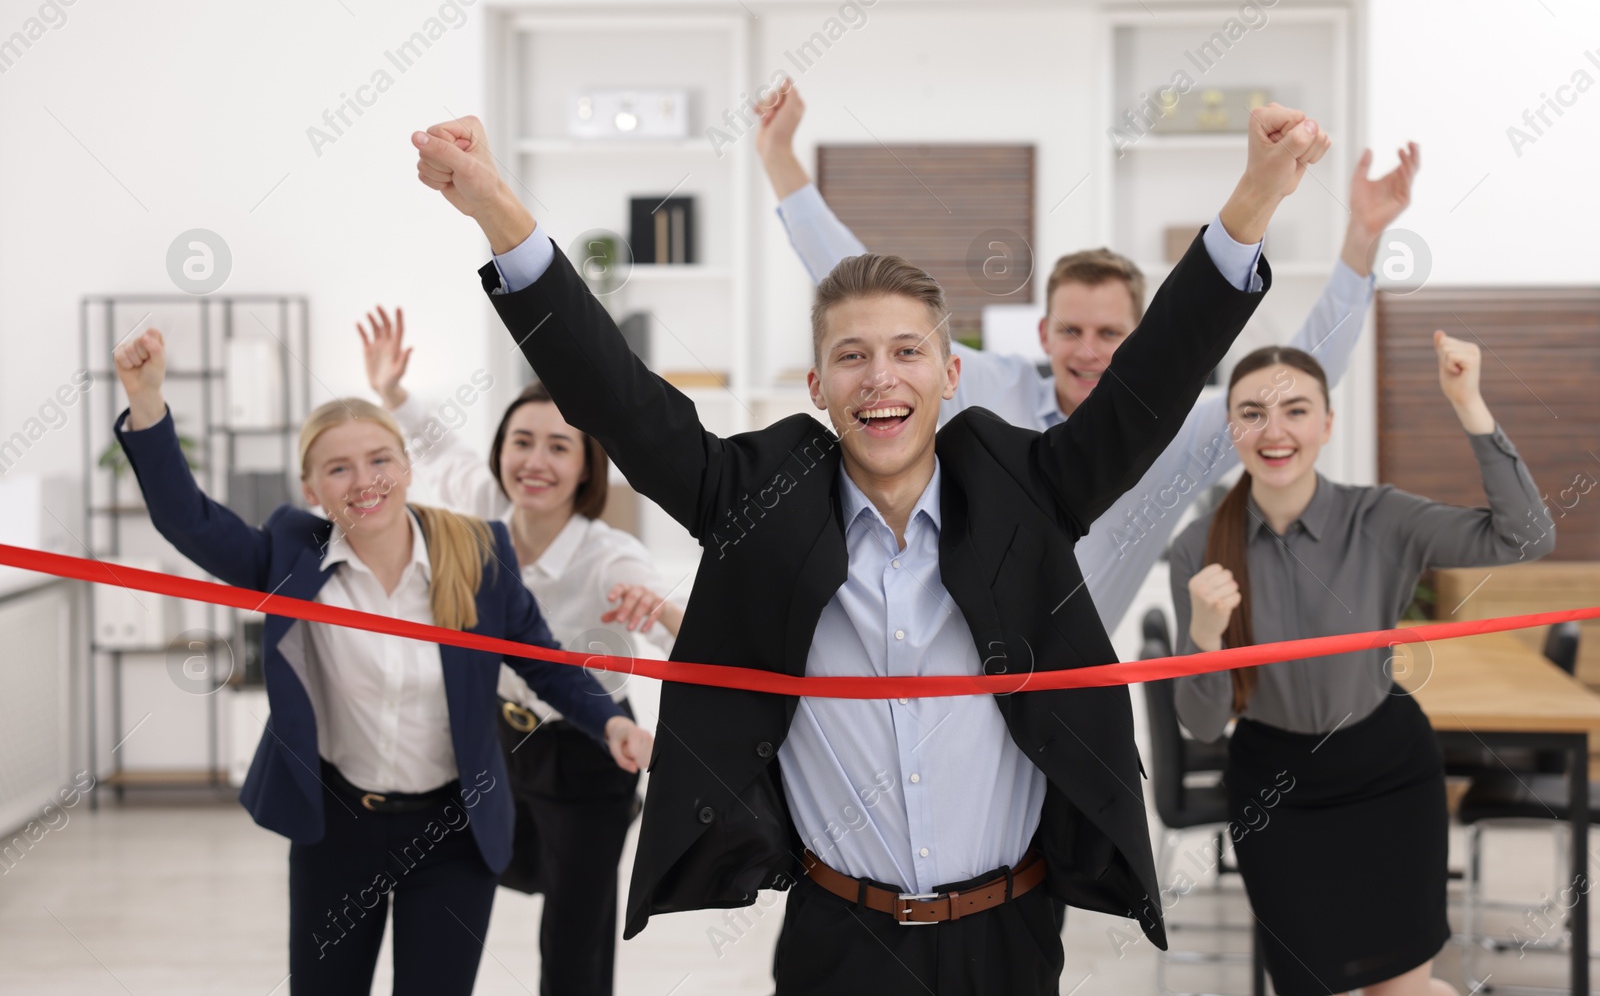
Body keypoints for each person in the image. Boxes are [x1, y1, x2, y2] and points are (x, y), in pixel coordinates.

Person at [412, 101, 1328, 994]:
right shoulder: (753, 500)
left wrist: (1252, 199)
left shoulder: (1031, 489)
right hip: (838, 939)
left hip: (1010, 935)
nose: (881, 377)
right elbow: (616, 395)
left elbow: (1150, 382)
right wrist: (500, 212)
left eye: (906, 351)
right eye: (852, 355)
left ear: (951, 375)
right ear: (817, 383)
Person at [753, 78, 1421, 634]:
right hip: (949, 670)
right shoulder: (980, 387)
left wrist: (1362, 238)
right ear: (1043, 334)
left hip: (1068, 704)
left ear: (1142, 346)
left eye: (1110, 335)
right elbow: (864, 294)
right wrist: (781, 158)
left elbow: (1302, 380)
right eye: (1071, 331)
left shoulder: (1181, 435)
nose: (1089, 351)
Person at [109, 328, 653, 996]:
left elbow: (543, 659)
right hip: (338, 826)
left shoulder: (477, 551)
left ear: (406, 465)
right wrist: (146, 400)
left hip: (452, 830)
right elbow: (186, 520)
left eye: (379, 460)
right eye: (338, 467)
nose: (363, 482)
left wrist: (610, 723)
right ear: (311, 485)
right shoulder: (288, 554)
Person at [1171, 333, 1555, 996]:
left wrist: (1468, 403)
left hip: (1388, 777)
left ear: (1327, 422)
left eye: (1296, 409)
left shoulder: (1382, 518)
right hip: (1275, 791)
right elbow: (1202, 725)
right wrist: (1204, 637)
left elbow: (1527, 536)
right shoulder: (1199, 548)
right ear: (1231, 426)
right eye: (1253, 412)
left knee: (1399, 989)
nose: (1275, 429)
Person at [358, 307, 683, 996]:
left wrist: (661, 613)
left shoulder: (608, 554)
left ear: (586, 465)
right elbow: (440, 447)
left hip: (591, 749)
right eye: (522, 441)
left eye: (559, 447)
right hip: (503, 741)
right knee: (479, 868)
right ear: (502, 449)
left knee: (573, 932)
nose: (536, 462)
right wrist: (392, 392)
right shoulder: (481, 511)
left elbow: (670, 623)